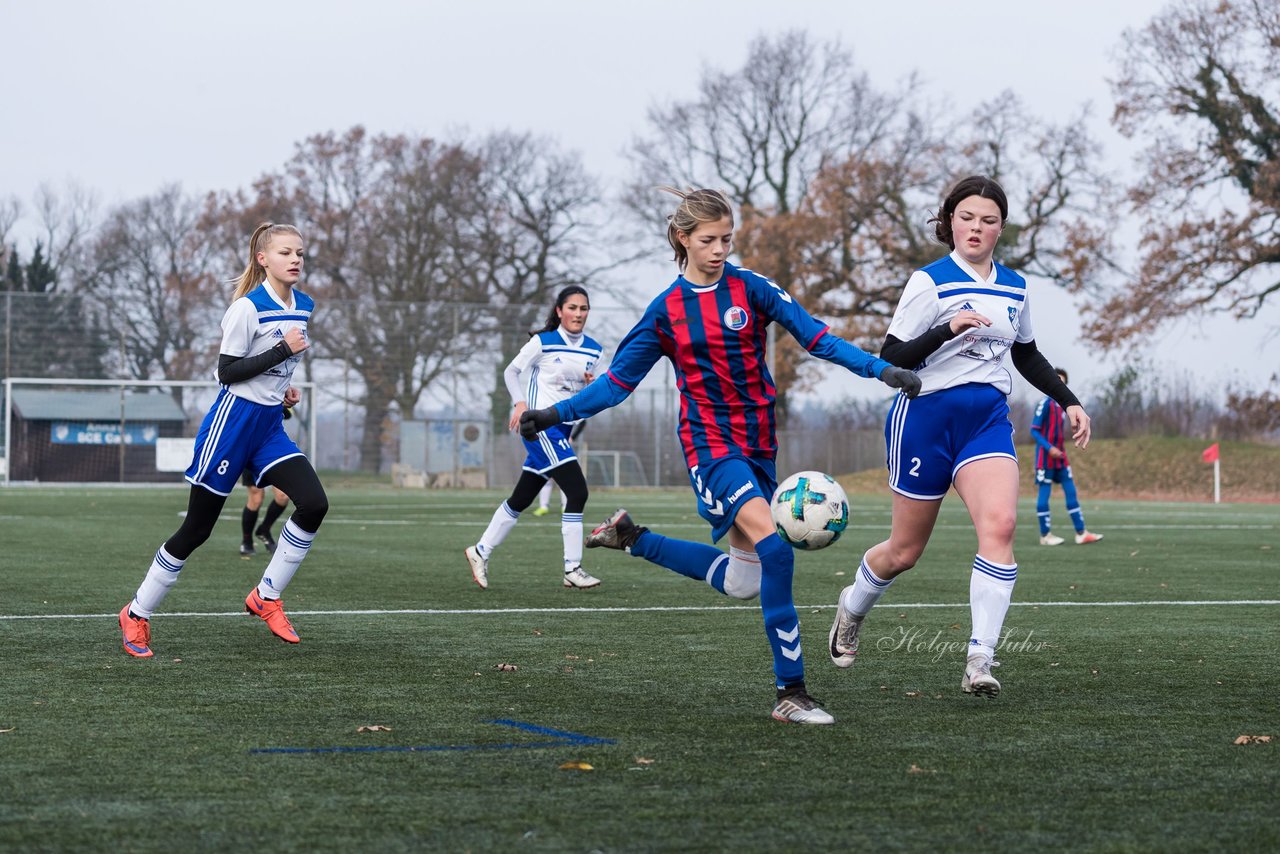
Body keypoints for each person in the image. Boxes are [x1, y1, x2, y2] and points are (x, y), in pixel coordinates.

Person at [520, 187, 921, 725]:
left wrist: (881, 370)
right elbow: (616, 385)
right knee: (777, 552)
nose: (719, 250)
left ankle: (632, 538)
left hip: (759, 443)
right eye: (708, 240)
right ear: (682, 239)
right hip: (709, 446)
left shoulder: (751, 289)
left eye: (727, 239)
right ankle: (792, 692)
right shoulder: (665, 311)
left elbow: (817, 338)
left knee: (743, 581)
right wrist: (553, 414)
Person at [827, 175, 1093, 699]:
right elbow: (892, 357)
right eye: (967, 217)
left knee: (1001, 524)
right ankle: (851, 607)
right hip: (925, 420)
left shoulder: (1015, 286)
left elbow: (1026, 354)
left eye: (988, 220)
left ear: (1000, 229)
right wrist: (947, 330)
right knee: (904, 552)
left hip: (986, 419)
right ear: (949, 221)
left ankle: (980, 658)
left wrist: (1069, 400)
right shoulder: (930, 282)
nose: (976, 227)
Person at [118, 222, 329, 657]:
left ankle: (266, 596)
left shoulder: (304, 304)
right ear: (262, 259)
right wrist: (282, 353)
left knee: (314, 503)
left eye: (301, 253)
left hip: (270, 425)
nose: (296, 260)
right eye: (286, 252)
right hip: (231, 426)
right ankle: (136, 614)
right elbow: (227, 373)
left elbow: (268, 369)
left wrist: (283, 388)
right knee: (197, 530)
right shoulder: (246, 309)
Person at [464, 286, 605, 590]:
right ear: (559, 311)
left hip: (563, 429)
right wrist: (520, 403)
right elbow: (511, 372)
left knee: (522, 498)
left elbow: (589, 395)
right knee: (577, 492)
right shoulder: (543, 342)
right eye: (572, 308)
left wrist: (592, 388)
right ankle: (572, 568)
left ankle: (480, 551)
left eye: (583, 309)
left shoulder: (594, 350)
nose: (578, 314)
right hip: (538, 428)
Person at [1032, 367, 1103, 546]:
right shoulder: (1045, 404)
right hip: (1045, 459)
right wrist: (1049, 448)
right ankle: (1045, 536)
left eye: (1062, 382)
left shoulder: (1062, 407)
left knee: (1071, 492)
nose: (1059, 384)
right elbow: (1034, 431)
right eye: (1056, 380)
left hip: (1061, 459)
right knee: (1044, 495)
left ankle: (1081, 533)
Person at [533, 421, 586, 517]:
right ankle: (543, 506)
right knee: (545, 474)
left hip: (562, 446)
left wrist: (573, 437)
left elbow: (583, 421)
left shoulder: (564, 408)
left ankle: (565, 506)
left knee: (564, 476)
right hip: (547, 444)